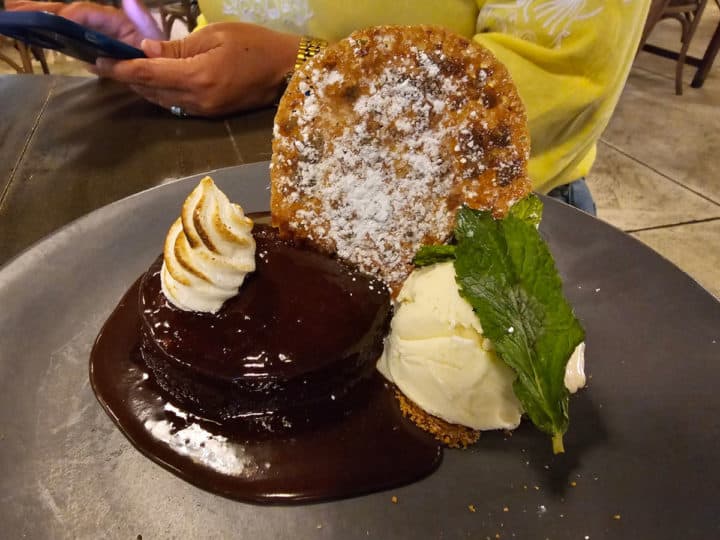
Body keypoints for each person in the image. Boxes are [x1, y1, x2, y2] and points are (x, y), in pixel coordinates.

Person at [7, 1, 650, 213]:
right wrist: (173, 50)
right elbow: (248, 19)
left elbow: (551, 77)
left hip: (467, 206)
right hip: (259, 182)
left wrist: (305, 66)